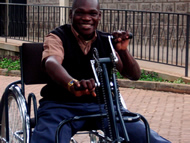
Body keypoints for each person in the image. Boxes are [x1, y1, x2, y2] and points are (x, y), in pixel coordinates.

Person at [31, 0, 171, 142]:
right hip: (60, 105)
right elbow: (51, 62)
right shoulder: (57, 37)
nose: (86, 18)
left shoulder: (106, 40)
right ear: (70, 14)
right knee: (48, 138)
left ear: (99, 16)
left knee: (147, 137)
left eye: (92, 13)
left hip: (102, 106)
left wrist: (123, 51)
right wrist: (72, 84)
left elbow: (134, 75)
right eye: (80, 13)